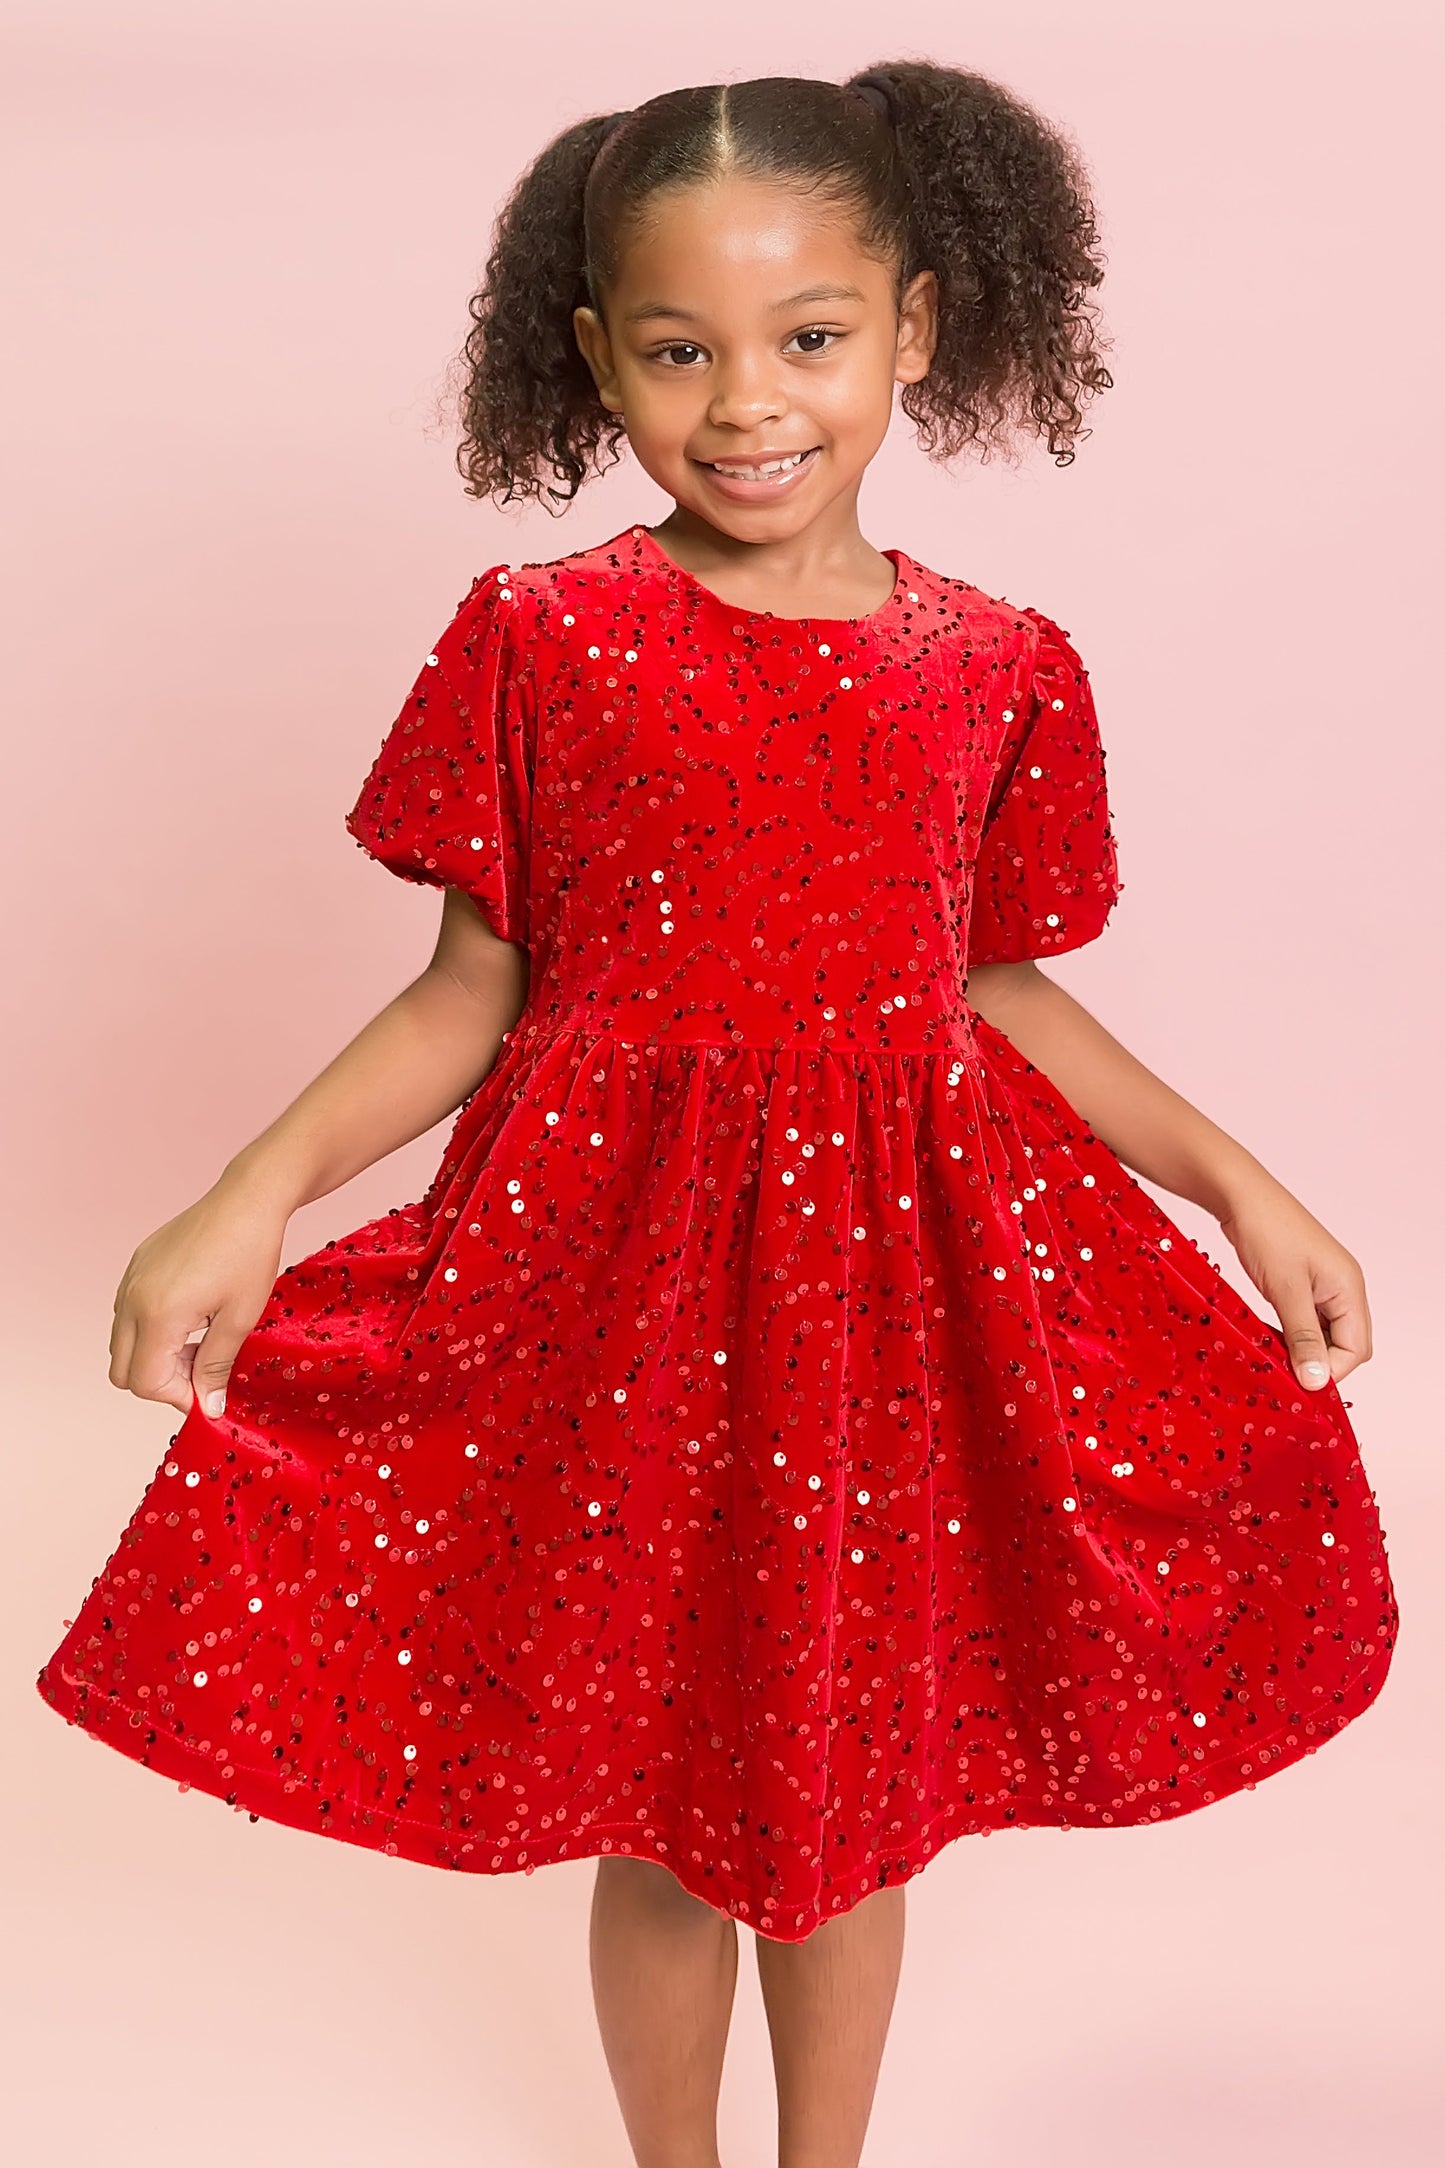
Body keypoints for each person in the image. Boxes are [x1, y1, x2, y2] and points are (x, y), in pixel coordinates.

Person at [37, 62, 1398, 2168]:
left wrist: (1246, 1187)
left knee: (847, 1801)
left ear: (916, 327)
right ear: (594, 357)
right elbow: (470, 1000)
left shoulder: (997, 666)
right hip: (623, 1301)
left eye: (812, 338)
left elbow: (991, 990)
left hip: (885, 1320)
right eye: (680, 350)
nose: (748, 399)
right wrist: (241, 1199)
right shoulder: (547, 639)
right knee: (669, 1800)